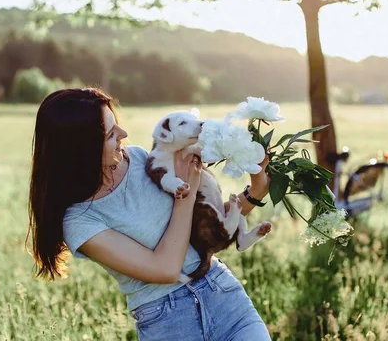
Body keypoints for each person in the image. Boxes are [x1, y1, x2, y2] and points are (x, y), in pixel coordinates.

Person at [26, 88, 272, 340]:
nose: (124, 134)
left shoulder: (141, 160)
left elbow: (204, 223)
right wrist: (187, 193)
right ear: (82, 149)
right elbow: (165, 269)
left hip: (224, 297)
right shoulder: (80, 221)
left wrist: (254, 192)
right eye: (111, 133)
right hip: (170, 323)